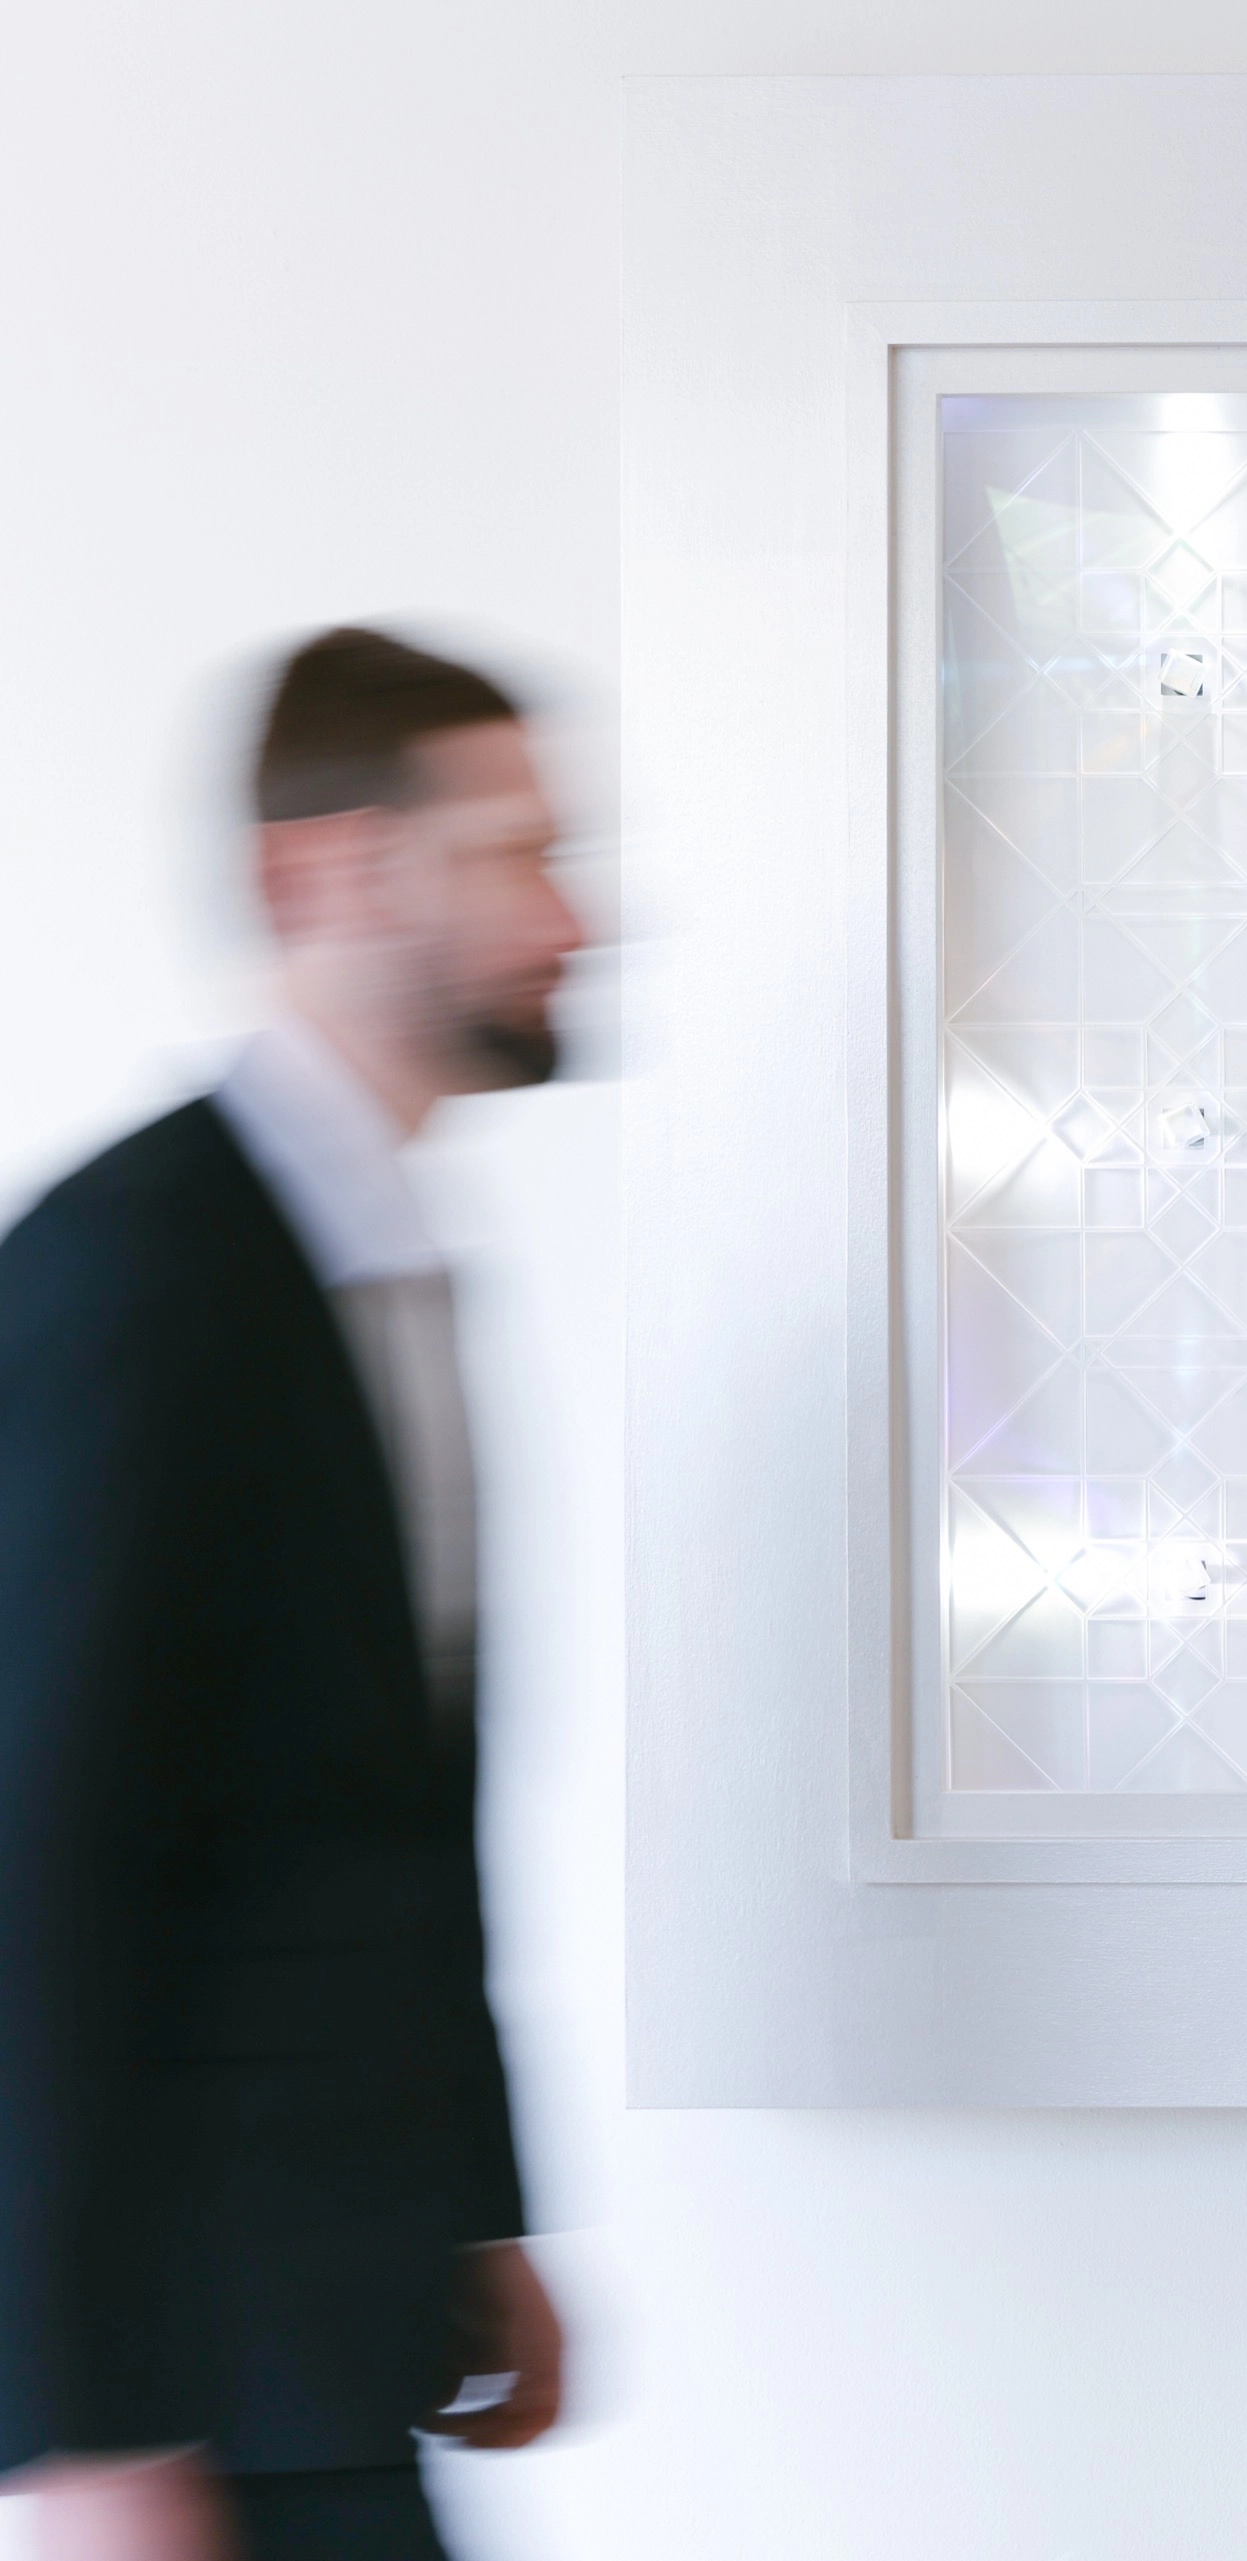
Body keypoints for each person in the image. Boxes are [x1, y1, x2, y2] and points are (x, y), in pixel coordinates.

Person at [0, 629, 585, 2559]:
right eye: (509, 854)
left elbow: (385, 1821)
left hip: (344, 2333)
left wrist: (476, 2217)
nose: (569, 916)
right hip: (192, 2392)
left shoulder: (385, 1259)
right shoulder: (137, 1269)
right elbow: (34, 1862)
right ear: (318, 876)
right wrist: (82, 2433)